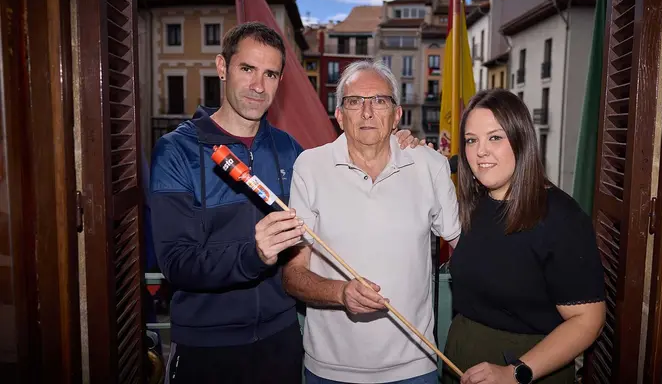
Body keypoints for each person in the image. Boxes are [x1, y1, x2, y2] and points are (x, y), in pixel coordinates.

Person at [150, 23, 420, 384]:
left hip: (281, 341)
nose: (258, 86)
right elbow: (176, 264)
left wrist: (395, 143)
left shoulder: (291, 150)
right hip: (206, 346)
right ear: (221, 67)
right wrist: (254, 254)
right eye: (247, 69)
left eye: (270, 74)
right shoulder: (177, 150)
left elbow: (346, 177)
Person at [282, 59, 460, 384]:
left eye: (379, 100)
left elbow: (468, 246)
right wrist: (340, 293)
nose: (367, 112)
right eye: (354, 102)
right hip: (329, 369)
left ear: (397, 115)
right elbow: (293, 275)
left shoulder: (430, 165)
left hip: (414, 368)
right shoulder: (310, 167)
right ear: (339, 116)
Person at [444, 89, 606, 384]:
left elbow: (588, 321)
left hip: (529, 370)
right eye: (471, 140)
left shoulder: (561, 218)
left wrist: (515, 372)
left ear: (521, 140)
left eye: (495, 137)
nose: (480, 151)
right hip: (461, 361)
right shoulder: (477, 203)